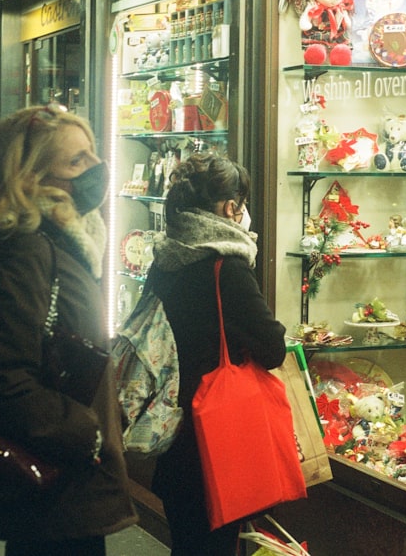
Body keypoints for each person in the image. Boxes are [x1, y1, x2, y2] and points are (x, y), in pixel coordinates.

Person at [0, 105, 137, 556]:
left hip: (64, 478)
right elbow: (1, 377)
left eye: (91, 153)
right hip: (55, 482)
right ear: (31, 177)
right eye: (75, 162)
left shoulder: (62, 240)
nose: (95, 168)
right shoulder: (29, 249)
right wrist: (87, 434)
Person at [146, 152, 287, 555]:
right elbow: (272, 346)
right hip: (216, 443)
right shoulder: (227, 268)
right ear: (230, 208)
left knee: (186, 545)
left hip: (173, 435)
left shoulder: (166, 256)